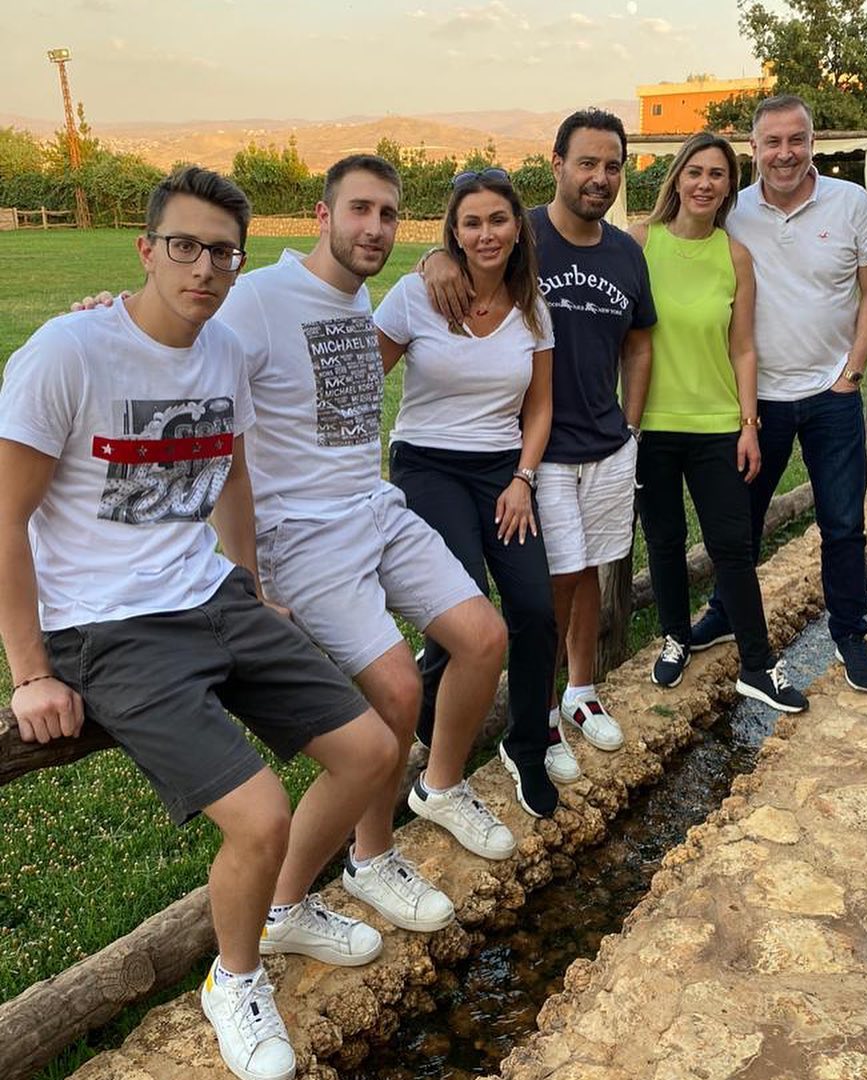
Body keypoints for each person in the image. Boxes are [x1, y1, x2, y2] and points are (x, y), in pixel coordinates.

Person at [0, 167, 399, 1080]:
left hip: (212, 594)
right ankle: (234, 979)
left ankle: (285, 912)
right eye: (184, 246)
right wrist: (31, 672)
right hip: (108, 626)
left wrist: (247, 583)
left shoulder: (223, 351)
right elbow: (5, 518)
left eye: (224, 253)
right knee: (259, 816)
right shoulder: (68, 353)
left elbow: (232, 474)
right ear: (146, 250)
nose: (205, 268)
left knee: (373, 751)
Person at [75, 156, 517, 928]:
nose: (374, 228)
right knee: (399, 691)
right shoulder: (258, 297)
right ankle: (348, 869)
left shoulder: (360, 294)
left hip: (373, 506)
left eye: (387, 214)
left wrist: (442, 256)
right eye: (359, 210)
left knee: (484, 637)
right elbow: (176, 335)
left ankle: (438, 788)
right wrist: (103, 316)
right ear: (322, 215)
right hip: (301, 531)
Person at [423, 110, 655, 769]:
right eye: (587, 163)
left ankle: (581, 689)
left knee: (593, 570)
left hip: (608, 443)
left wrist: (631, 425)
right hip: (540, 447)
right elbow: (462, 247)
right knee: (554, 581)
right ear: (557, 164)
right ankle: (541, 710)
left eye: (612, 166)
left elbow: (639, 343)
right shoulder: (520, 235)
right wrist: (436, 257)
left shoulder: (625, 252)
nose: (600, 177)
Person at [690, 95, 867, 693]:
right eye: (773, 142)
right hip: (757, 401)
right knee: (741, 524)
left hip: (832, 393)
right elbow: (667, 237)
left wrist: (852, 372)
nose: (785, 153)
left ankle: (850, 630)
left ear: (813, 143)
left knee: (844, 521)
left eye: (796, 140)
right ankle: (725, 613)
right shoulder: (732, 211)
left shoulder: (850, 203)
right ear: (753, 147)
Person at [375, 167, 562, 818]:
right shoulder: (417, 294)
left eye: (498, 220)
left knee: (535, 608)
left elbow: (540, 407)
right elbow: (359, 382)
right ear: (453, 232)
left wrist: (523, 479)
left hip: (502, 470)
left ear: (518, 228)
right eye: (472, 222)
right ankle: (435, 724)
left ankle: (528, 744)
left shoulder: (534, 309)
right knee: (464, 604)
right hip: (427, 464)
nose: (487, 234)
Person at [628, 133, 808, 712]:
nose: (705, 184)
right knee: (664, 539)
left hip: (717, 426)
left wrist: (749, 425)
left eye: (717, 175)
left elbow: (743, 348)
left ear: (730, 187)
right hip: (651, 427)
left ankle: (757, 665)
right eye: (696, 172)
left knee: (732, 544)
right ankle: (676, 637)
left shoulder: (735, 256)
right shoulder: (640, 242)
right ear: (678, 178)